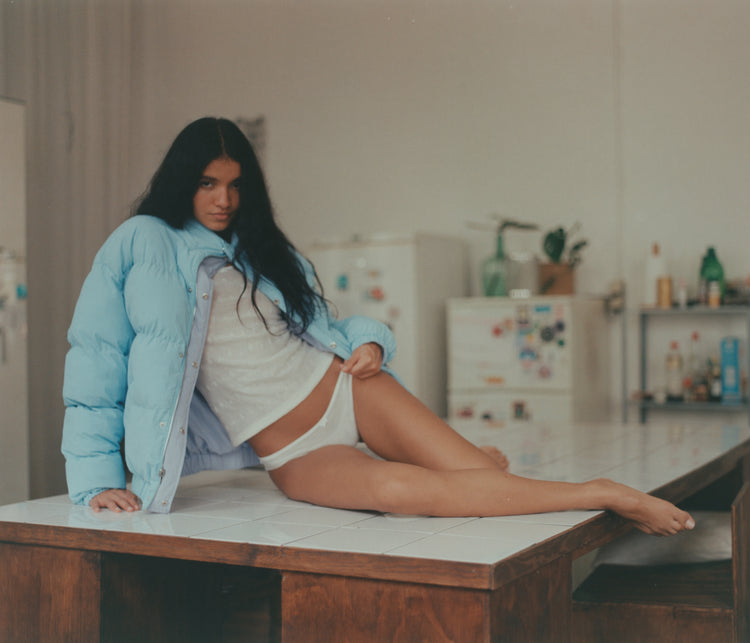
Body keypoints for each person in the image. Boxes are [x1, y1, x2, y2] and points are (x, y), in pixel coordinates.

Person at [62, 117, 695, 537]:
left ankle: (603, 493)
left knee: (486, 487)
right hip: (292, 451)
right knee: (399, 492)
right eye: (207, 183)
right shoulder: (142, 242)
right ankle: (569, 485)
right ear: (183, 180)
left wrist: (369, 342)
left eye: (234, 185)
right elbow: (97, 361)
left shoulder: (261, 249)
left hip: (349, 389)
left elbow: (326, 324)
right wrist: (96, 483)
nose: (223, 199)